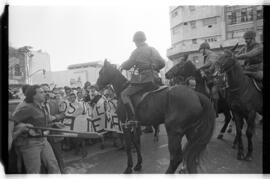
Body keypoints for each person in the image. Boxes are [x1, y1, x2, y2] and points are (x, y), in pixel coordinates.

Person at [11, 85, 60, 173]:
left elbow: (43, 119)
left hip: (43, 139)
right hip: (30, 143)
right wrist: (22, 127)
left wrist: (54, 122)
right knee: (34, 171)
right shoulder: (26, 107)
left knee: (53, 165)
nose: (44, 94)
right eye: (41, 92)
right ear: (33, 95)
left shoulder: (40, 105)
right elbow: (11, 123)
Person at [120, 31, 165, 121]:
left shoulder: (137, 51)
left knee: (124, 94)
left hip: (144, 80)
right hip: (155, 79)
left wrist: (122, 65)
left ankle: (132, 118)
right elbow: (162, 63)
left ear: (137, 41)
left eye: (135, 42)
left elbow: (128, 64)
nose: (135, 44)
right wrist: (154, 67)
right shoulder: (153, 49)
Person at [40, 84, 66, 173]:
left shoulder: (54, 102)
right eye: (44, 91)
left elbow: (63, 114)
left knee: (59, 157)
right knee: (44, 161)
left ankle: (63, 173)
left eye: (48, 91)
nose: (46, 93)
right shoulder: (36, 105)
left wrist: (55, 117)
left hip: (55, 134)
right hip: (42, 136)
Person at [198, 41, 220, 117]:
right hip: (208, 77)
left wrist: (201, 67)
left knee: (214, 92)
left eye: (201, 50)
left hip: (216, 76)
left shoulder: (212, 54)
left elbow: (210, 63)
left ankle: (215, 111)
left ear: (205, 49)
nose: (201, 52)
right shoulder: (206, 57)